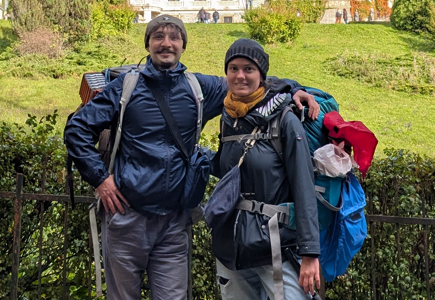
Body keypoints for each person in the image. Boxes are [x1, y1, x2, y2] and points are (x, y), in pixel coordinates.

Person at [64, 16, 320, 300]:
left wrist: (294, 89)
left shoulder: (199, 88)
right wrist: (100, 179)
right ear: (147, 43)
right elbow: (77, 128)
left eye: (174, 37)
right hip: (127, 216)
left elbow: (247, 80)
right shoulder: (125, 87)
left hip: (174, 223)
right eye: (158, 36)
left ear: (183, 45)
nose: (166, 43)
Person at [211, 39, 321, 300]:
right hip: (232, 248)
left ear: (262, 75)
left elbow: (304, 185)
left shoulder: (284, 119)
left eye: (248, 69)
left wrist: (310, 253)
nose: (240, 76)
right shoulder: (227, 118)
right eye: (233, 68)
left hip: (275, 246)